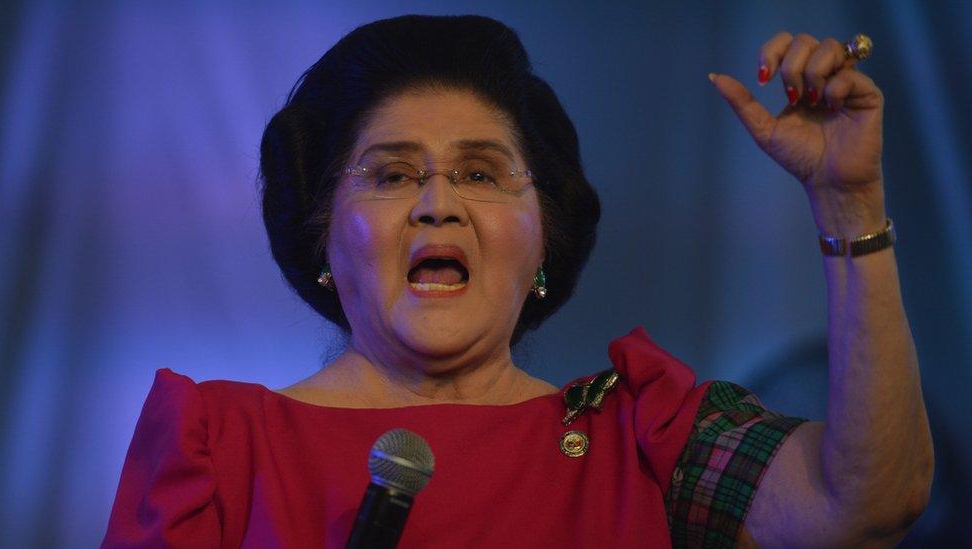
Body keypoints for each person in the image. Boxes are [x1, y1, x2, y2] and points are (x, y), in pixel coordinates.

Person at [102, 14, 933, 547]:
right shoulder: (215, 447)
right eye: (390, 175)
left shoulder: (642, 435)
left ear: (544, 239)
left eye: (482, 172)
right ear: (325, 233)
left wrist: (847, 198)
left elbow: (865, 502)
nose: (436, 205)